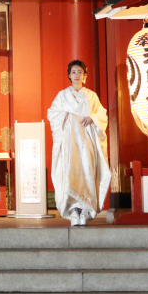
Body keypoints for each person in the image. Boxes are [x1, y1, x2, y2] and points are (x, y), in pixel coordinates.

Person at [46, 60, 110, 227]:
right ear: (69, 75)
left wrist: (92, 118)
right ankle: (73, 209)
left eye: (80, 72)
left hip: (87, 141)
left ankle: (86, 209)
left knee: (87, 171)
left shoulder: (91, 96)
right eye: (73, 72)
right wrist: (70, 116)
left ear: (85, 75)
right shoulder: (62, 96)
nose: (76, 75)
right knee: (70, 172)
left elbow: (102, 115)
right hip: (69, 143)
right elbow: (52, 113)